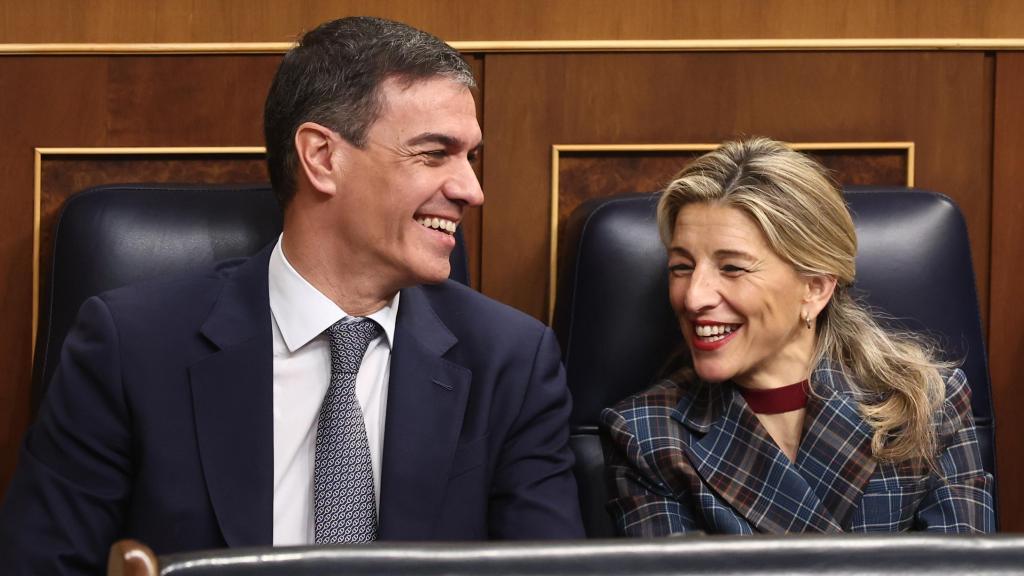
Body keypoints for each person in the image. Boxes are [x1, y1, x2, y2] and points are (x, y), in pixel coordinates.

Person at [0, 16, 583, 574]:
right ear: (322, 157)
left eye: (470, 158)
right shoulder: (131, 348)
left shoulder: (512, 361)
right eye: (434, 153)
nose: (471, 190)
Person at [601, 137, 994, 535]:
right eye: (681, 267)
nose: (693, 296)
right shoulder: (644, 433)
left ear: (816, 287)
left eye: (733, 268)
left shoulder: (925, 402)